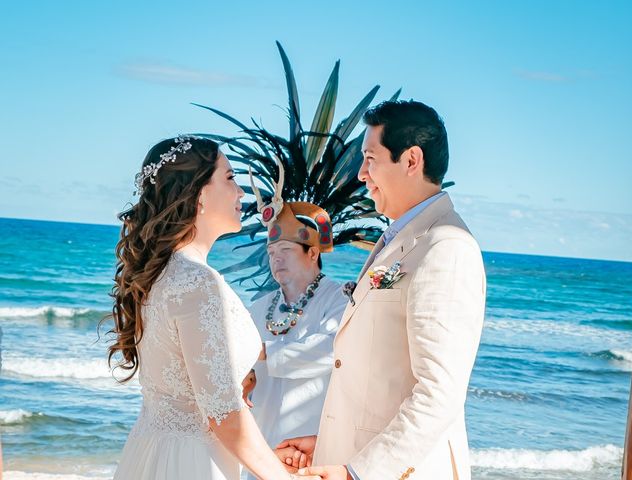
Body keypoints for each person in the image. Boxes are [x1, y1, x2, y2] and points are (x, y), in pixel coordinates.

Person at [277, 100, 486, 479]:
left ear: (411, 160)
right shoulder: (401, 238)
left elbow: (439, 393)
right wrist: (330, 442)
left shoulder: (446, 247)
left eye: (370, 158)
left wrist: (358, 472)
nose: (360, 174)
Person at [106, 135, 317, 480]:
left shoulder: (162, 273)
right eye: (231, 179)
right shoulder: (197, 282)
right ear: (201, 194)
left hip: (155, 450)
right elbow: (223, 414)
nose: (242, 193)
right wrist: (281, 477)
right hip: (192, 464)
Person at [244, 168, 347, 472]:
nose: (276, 259)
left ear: (313, 252)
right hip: (261, 446)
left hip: (309, 447)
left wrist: (263, 351)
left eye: (285, 251)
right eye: (272, 252)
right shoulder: (258, 307)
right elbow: (243, 367)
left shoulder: (339, 298)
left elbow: (332, 351)